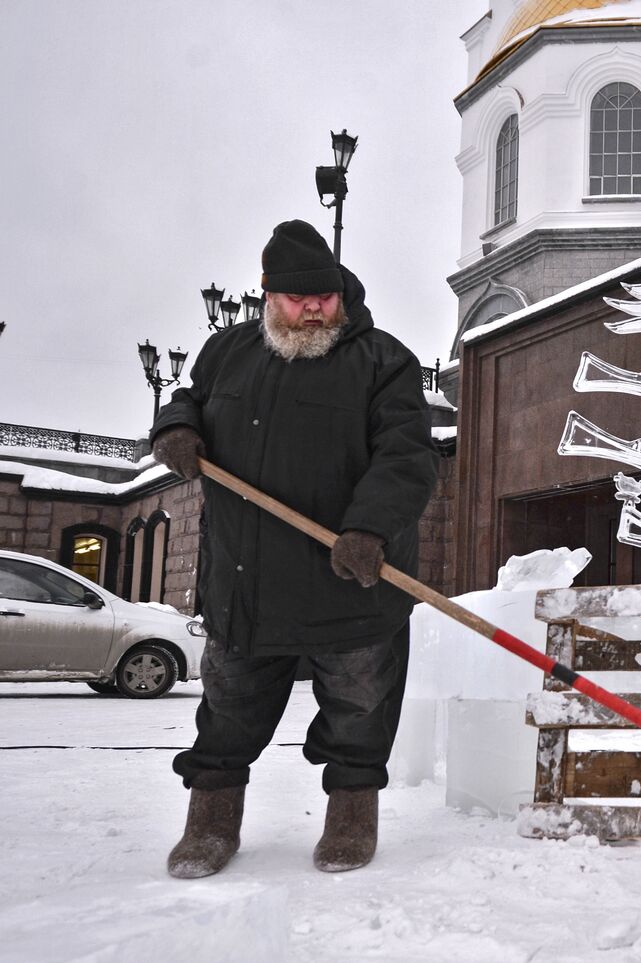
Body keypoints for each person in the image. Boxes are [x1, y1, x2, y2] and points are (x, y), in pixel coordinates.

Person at [151, 220, 438, 878]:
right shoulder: (226, 352)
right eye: (298, 297)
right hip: (246, 579)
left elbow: (407, 455)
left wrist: (370, 527)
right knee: (227, 707)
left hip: (351, 576)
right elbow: (188, 401)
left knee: (360, 705)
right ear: (267, 295)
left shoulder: (381, 361)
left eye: (325, 296)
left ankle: (351, 816)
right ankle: (211, 821)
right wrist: (175, 426)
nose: (314, 308)